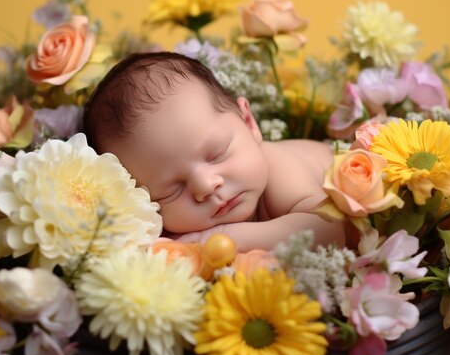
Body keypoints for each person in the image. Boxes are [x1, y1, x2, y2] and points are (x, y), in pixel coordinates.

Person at [83, 52, 347, 252]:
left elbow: (328, 230)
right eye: (171, 190)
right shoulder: (180, 228)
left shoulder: (279, 166)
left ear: (248, 123)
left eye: (217, 153)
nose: (205, 186)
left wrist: (218, 240)